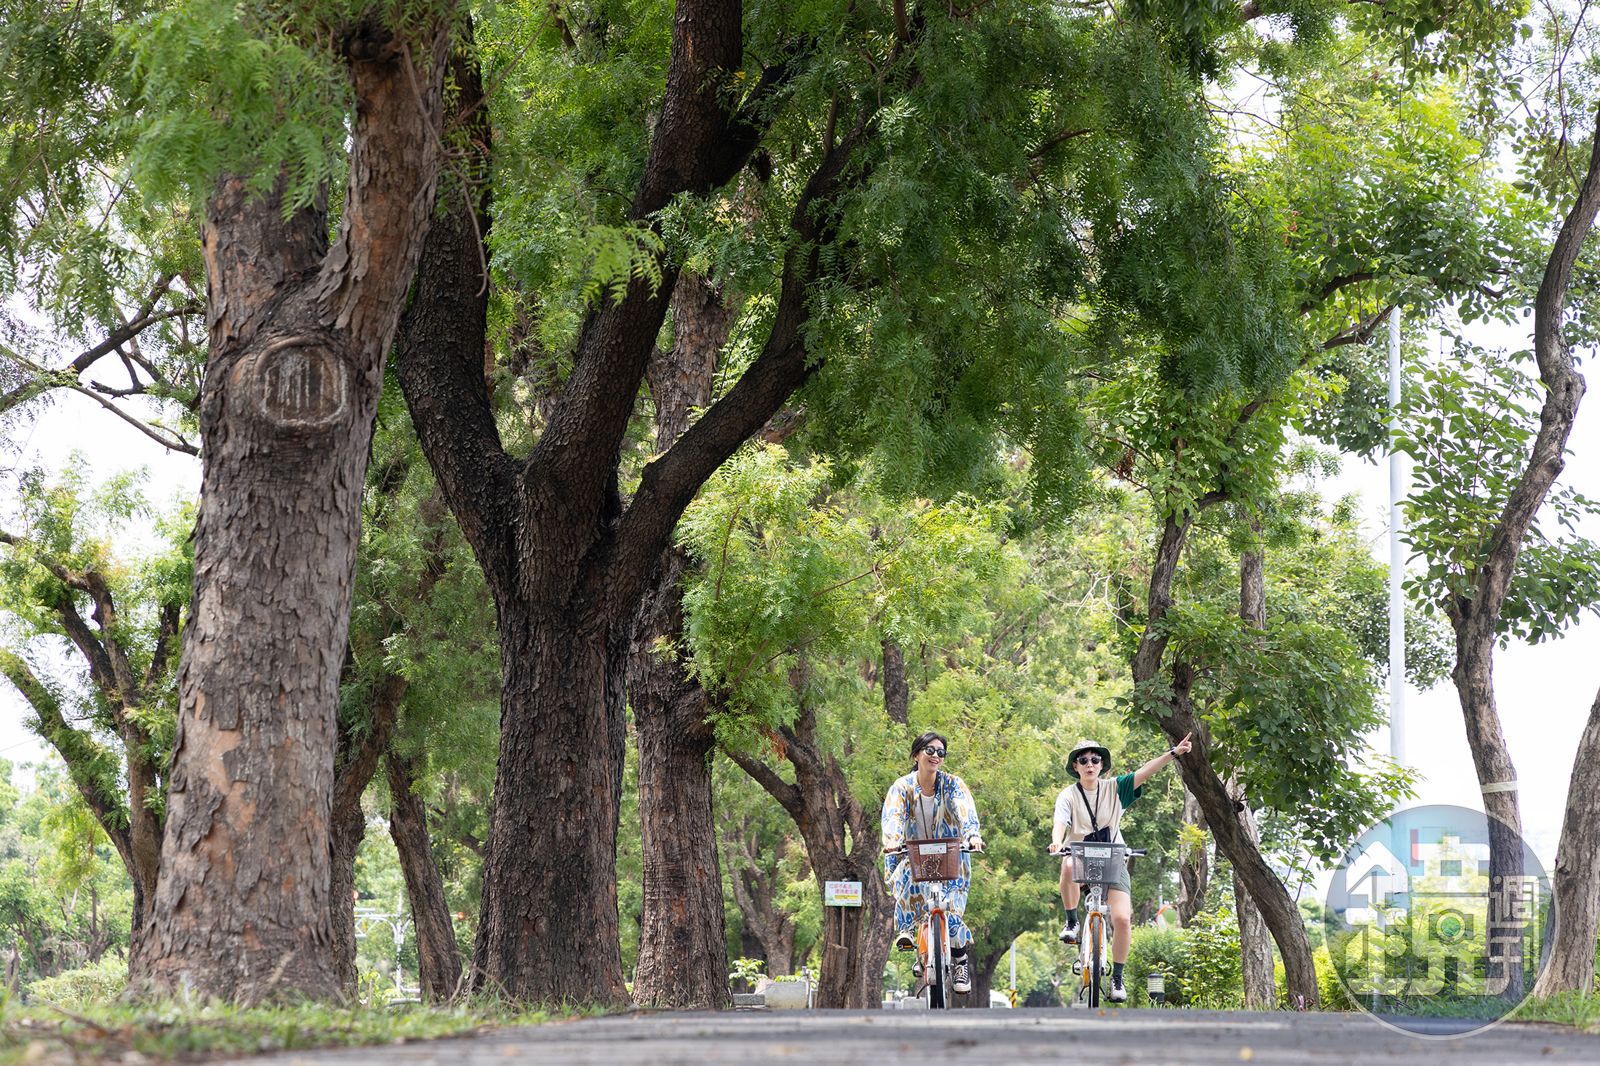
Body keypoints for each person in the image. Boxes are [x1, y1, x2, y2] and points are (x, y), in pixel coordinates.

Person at [1049, 733, 1192, 1002]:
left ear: (1102, 765)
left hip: (1113, 858)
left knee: (1123, 919)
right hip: (1080, 856)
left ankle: (1117, 978)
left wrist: (1173, 753)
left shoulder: (1115, 788)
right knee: (1067, 866)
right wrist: (1057, 842)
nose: (1090, 764)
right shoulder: (1068, 796)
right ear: (1075, 766)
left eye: (1095, 759)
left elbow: (1144, 772)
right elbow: (1060, 822)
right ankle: (1072, 923)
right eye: (1083, 760)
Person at [881, 731, 985, 994]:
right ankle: (910, 933)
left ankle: (960, 958)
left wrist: (972, 835)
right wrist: (893, 840)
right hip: (913, 855)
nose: (935, 756)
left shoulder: (952, 784)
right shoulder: (902, 787)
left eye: (941, 752)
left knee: (949, 910)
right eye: (930, 750)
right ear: (916, 754)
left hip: (950, 855)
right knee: (905, 876)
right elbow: (893, 815)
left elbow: (965, 809)